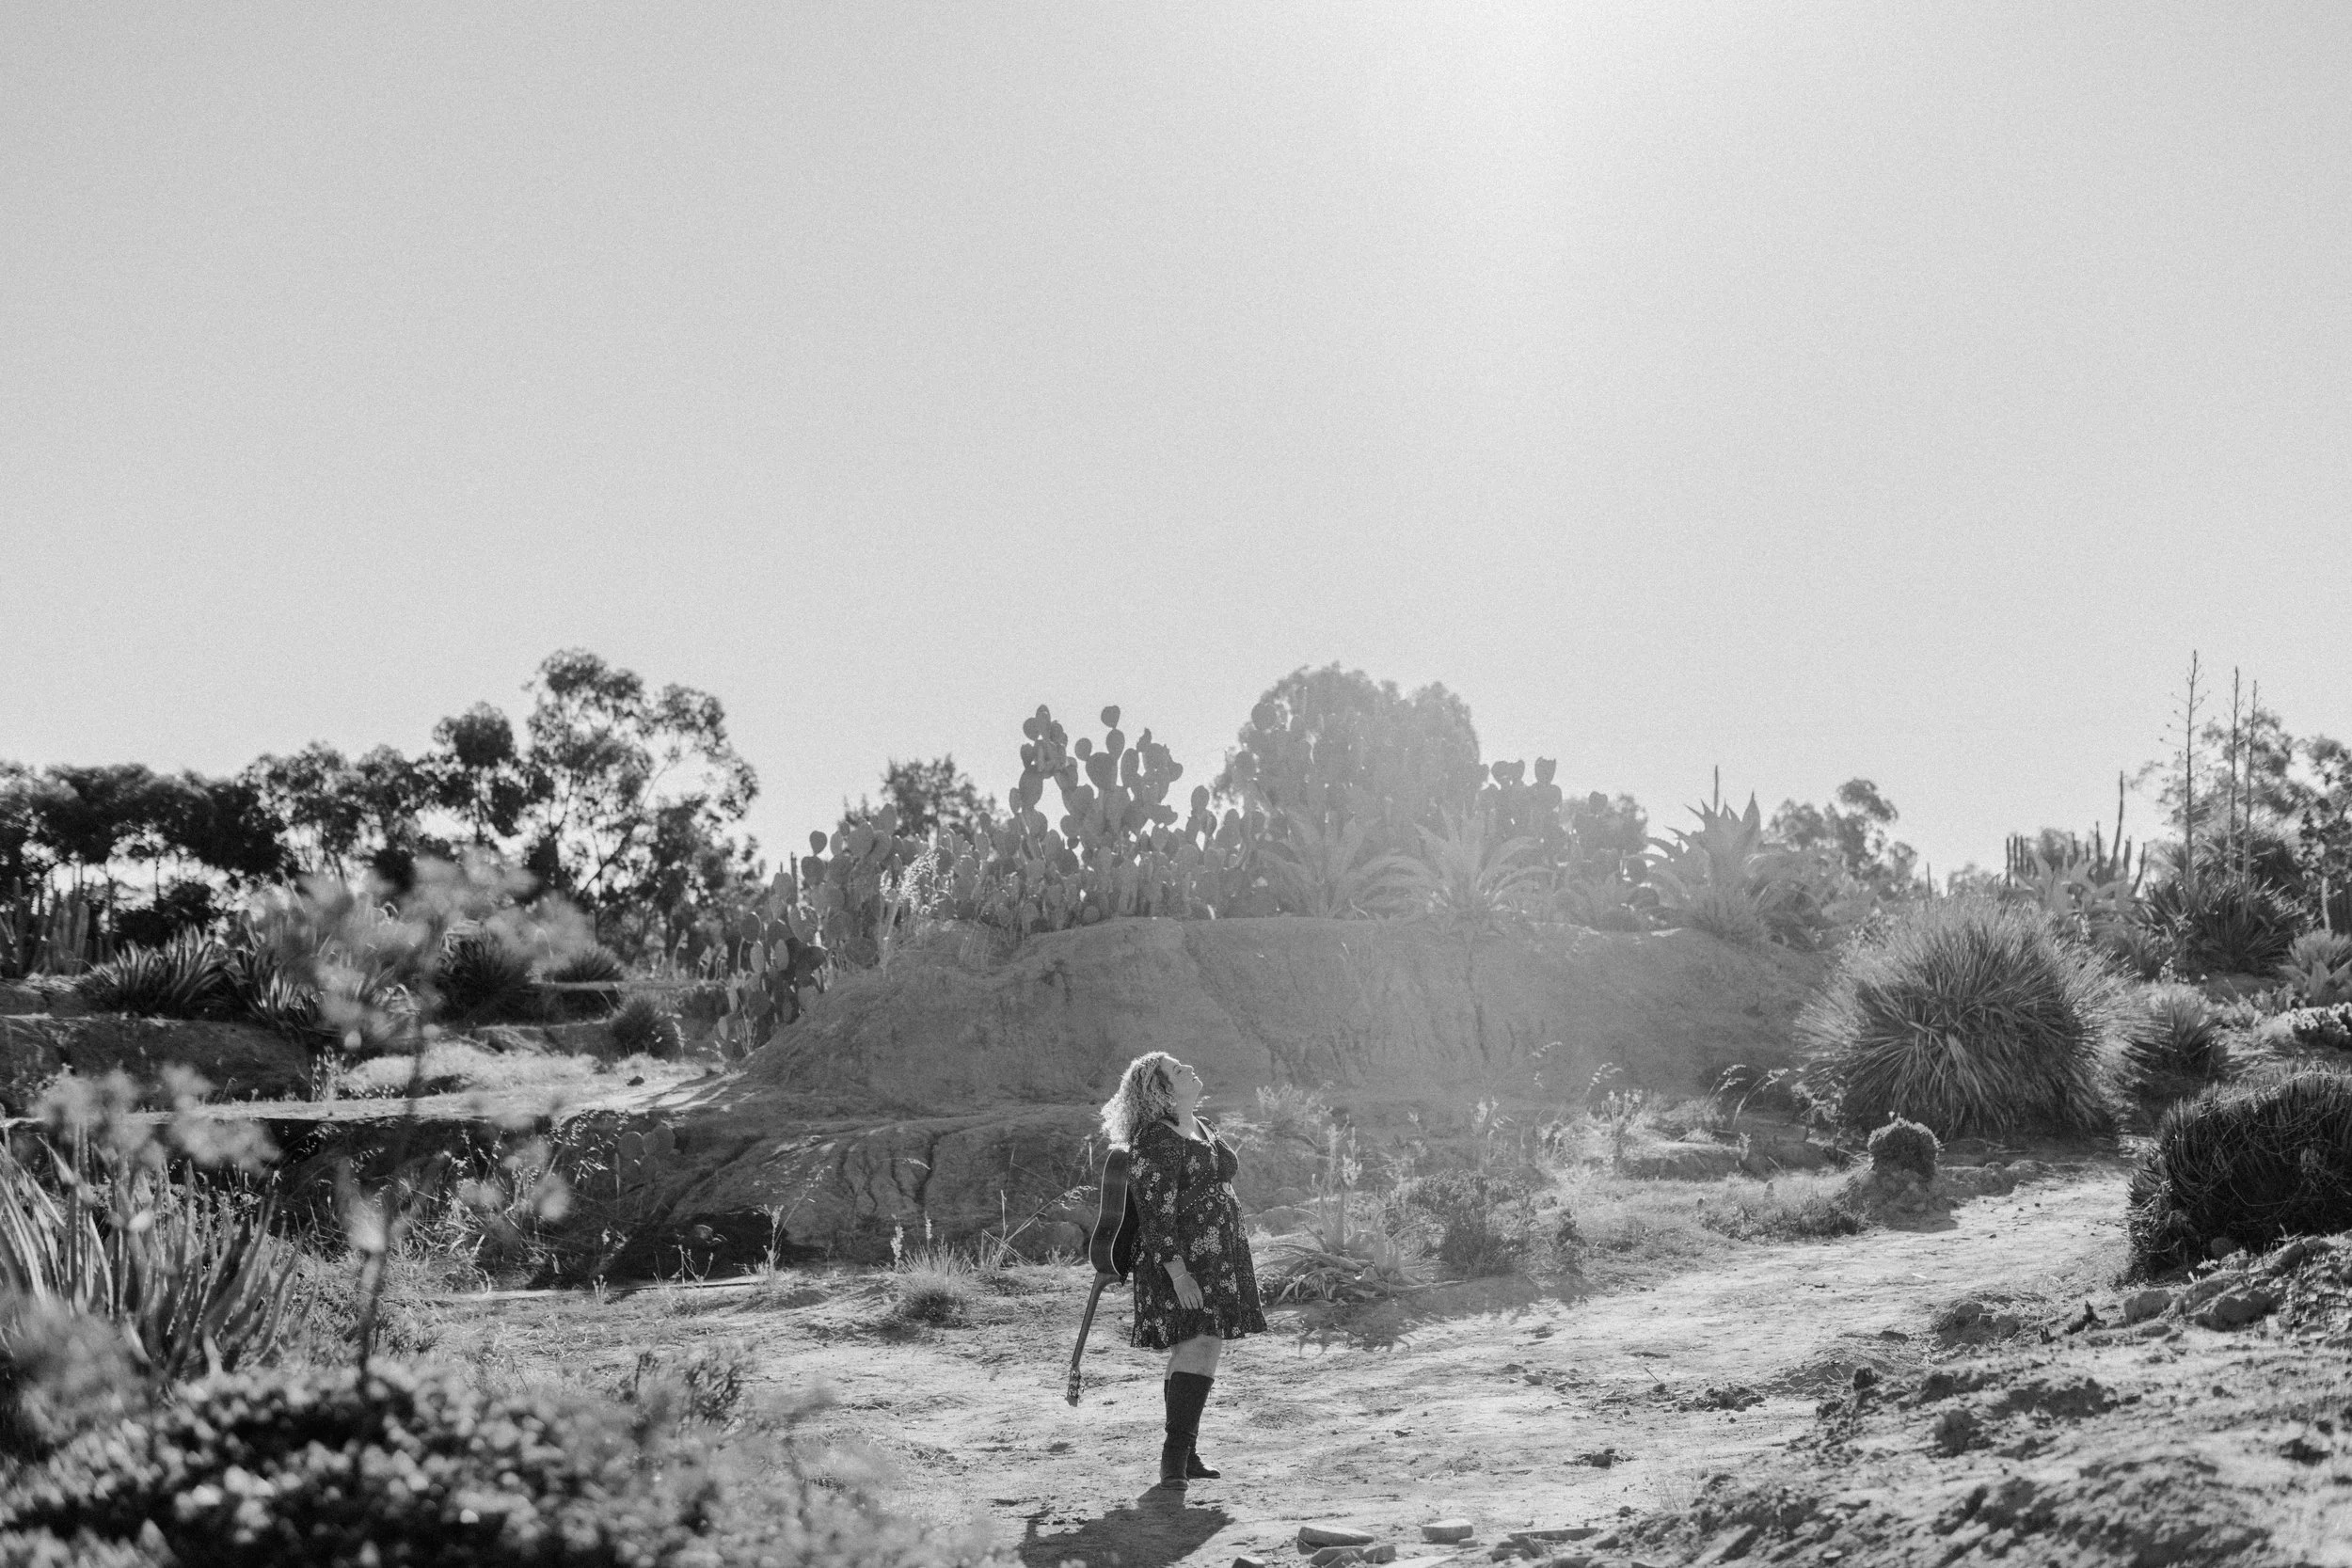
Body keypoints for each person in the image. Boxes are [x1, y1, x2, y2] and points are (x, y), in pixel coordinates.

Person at [1099, 1051, 1266, 1490]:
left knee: (1195, 1347)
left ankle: (1185, 1455)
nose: (1189, 1068)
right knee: (1199, 1344)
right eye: (1177, 1070)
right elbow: (1156, 1214)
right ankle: (1174, 1459)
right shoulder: (1156, 1139)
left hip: (1219, 1259)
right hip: (1181, 1261)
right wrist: (1178, 1272)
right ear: (1161, 1090)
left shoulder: (1203, 1127)